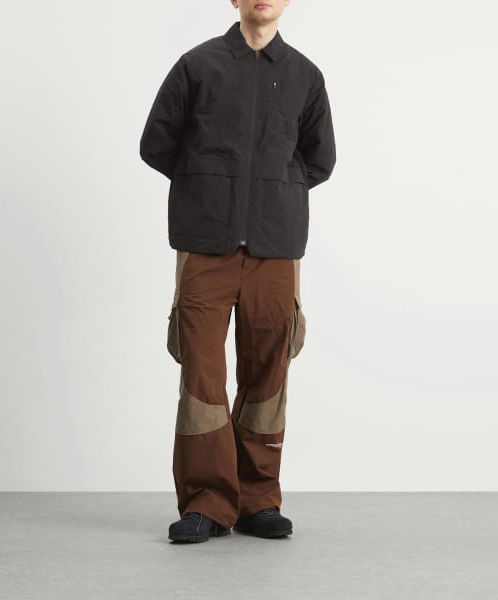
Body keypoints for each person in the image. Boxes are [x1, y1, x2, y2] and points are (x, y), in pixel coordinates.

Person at [140, 0, 336, 543]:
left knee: (269, 371)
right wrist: (210, 188)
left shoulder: (305, 76)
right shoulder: (198, 65)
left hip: (276, 247)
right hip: (206, 244)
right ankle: (206, 503)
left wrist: (271, 193)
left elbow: (320, 160)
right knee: (201, 373)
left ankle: (257, 501)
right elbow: (156, 144)